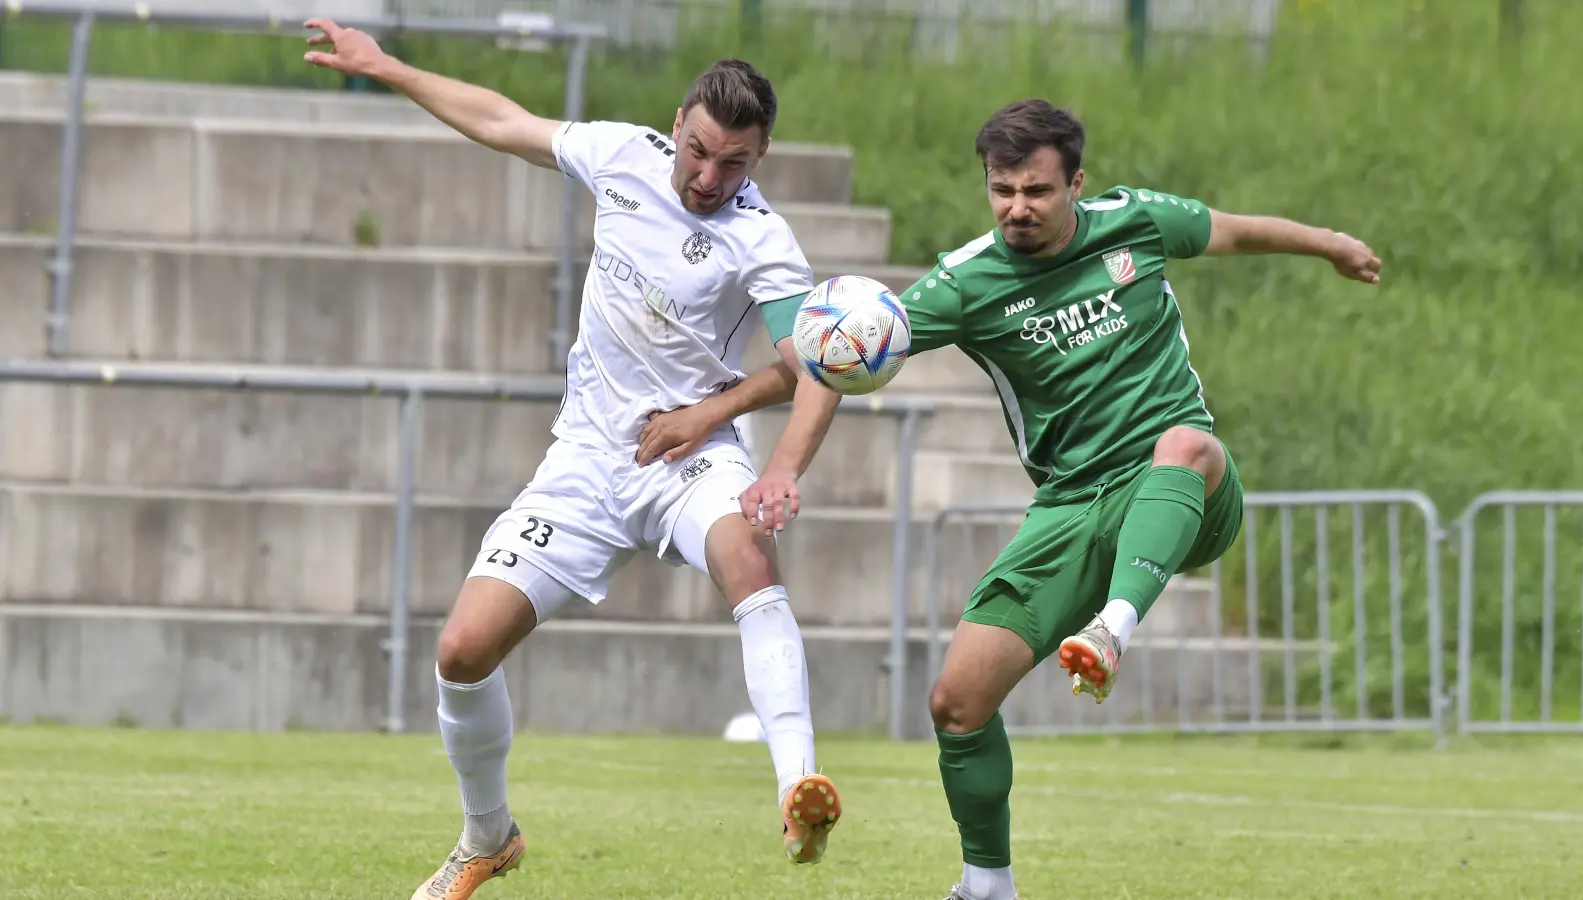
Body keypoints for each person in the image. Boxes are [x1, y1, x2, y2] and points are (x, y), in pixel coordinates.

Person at [764, 97, 1382, 900]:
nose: (1017, 207)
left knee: (1188, 443)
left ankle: (1112, 630)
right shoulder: (967, 282)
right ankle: (987, 883)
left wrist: (1330, 246)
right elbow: (844, 358)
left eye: (1037, 191)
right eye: (1002, 190)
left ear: (1076, 184)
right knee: (958, 701)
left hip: (1182, 487)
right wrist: (771, 453)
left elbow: (1234, 229)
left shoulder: (1134, 222)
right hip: (1070, 507)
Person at [302, 19, 846, 899]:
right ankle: (489, 835)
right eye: (699, 152)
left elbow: (812, 365)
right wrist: (384, 65)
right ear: (678, 123)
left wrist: (753, 446)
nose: (709, 178)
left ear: (761, 158)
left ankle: (797, 790)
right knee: (462, 650)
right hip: (589, 459)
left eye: (734, 164)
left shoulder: (762, 240)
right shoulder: (622, 156)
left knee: (748, 552)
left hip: (694, 459)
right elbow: (499, 119)